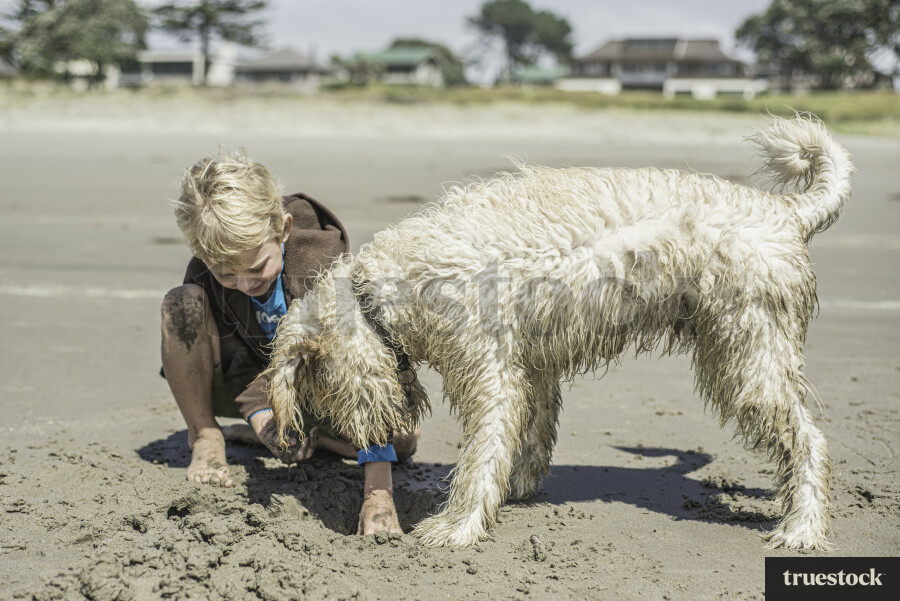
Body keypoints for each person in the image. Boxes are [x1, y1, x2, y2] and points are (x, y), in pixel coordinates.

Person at [159, 149, 417, 534]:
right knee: (181, 303)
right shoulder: (208, 269)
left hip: (329, 383)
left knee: (402, 440)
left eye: (258, 267)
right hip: (247, 383)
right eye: (228, 275)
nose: (245, 284)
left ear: (282, 229)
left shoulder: (320, 263)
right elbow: (236, 358)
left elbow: (364, 369)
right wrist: (263, 418)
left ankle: (321, 440)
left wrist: (378, 495)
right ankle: (206, 436)